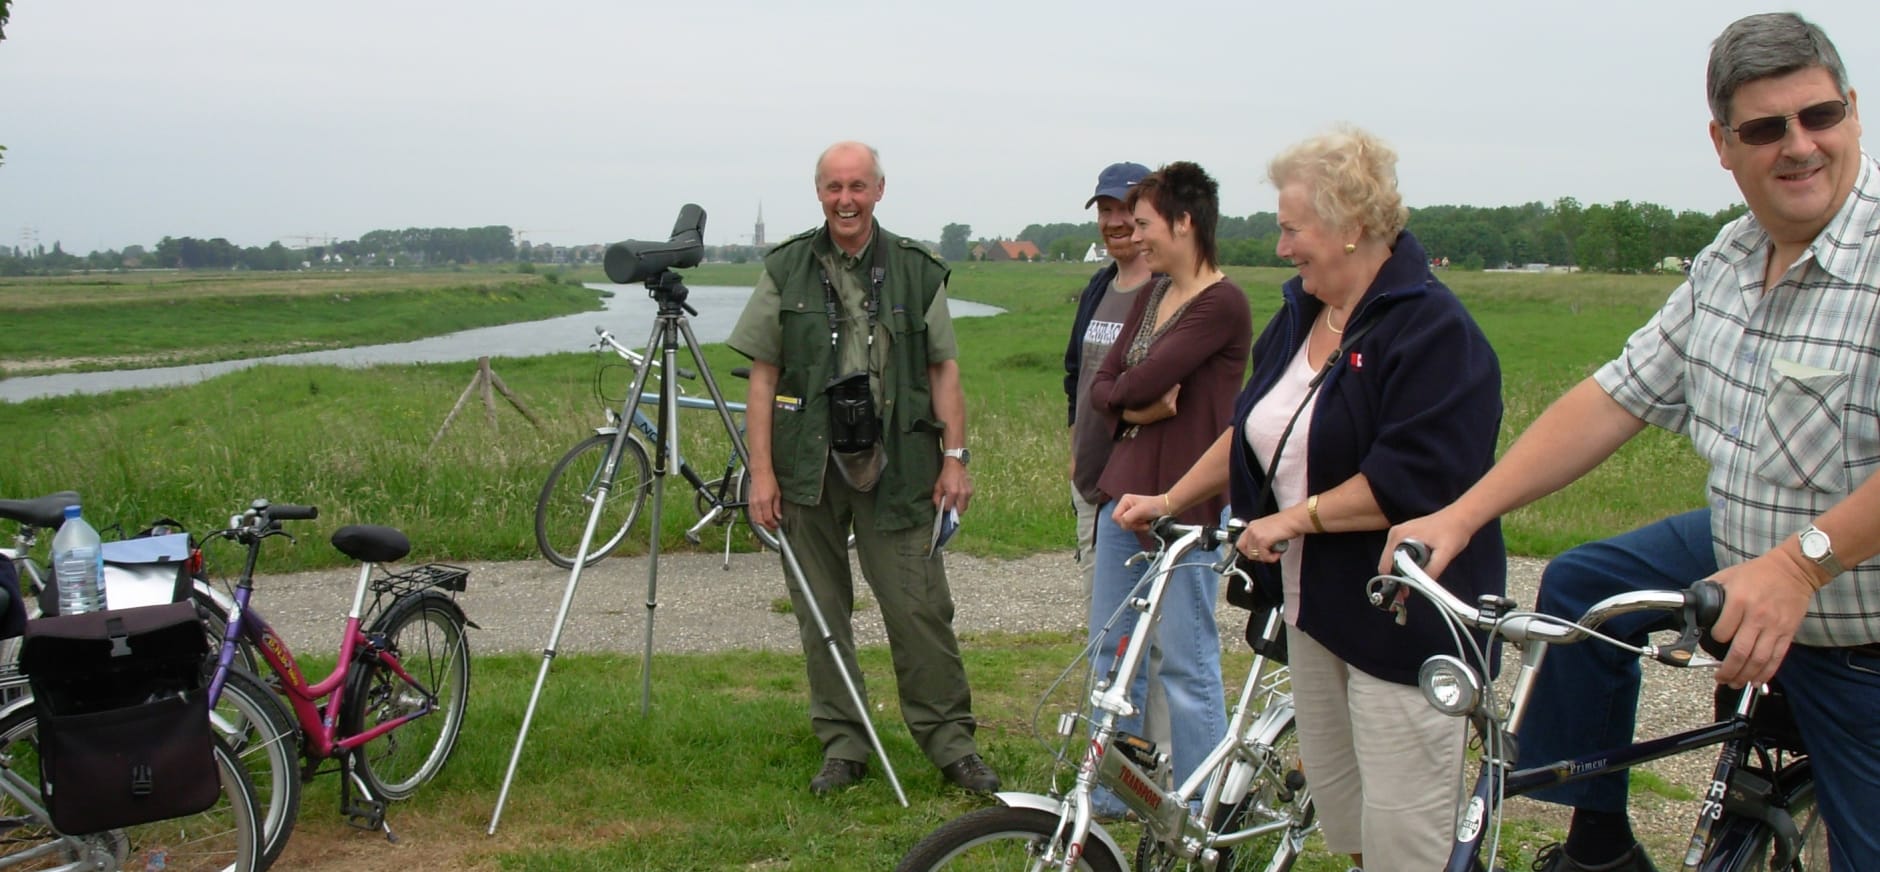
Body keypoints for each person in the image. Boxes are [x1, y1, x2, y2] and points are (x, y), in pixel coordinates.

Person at [1383, 13, 1880, 871]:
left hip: (1858, 627)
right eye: (1766, 129)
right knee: (1580, 582)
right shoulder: (1728, 261)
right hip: (1743, 545)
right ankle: (1600, 845)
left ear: (1855, 112)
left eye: (1820, 116)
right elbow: (1615, 398)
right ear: (1724, 145)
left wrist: (1798, 567)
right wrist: (1463, 514)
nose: (1800, 146)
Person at [1116, 128, 1504, 872]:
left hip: (1403, 628)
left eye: (1293, 227)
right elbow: (1252, 432)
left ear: (1352, 226)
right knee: (1349, 819)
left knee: (1406, 843)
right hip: (1317, 612)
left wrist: (1292, 519)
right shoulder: (1302, 314)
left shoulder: (1433, 331)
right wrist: (1168, 496)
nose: (1282, 244)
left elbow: (1411, 481)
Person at [727, 140, 999, 796]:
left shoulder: (915, 269)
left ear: (879, 190)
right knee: (821, 612)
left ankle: (950, 744)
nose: (845, 199)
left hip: (902, 465)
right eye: (833, 187)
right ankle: (844, 745)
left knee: (918, 608)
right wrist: (760, 474)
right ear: (818, 193)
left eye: (857, 186)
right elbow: (762, 379)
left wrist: (955, 460)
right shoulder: (786, 267)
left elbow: (944, 370)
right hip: (807, 469)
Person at [1085, 161, 1250, 814]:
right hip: (1125, 492)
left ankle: (1201, 797)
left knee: (1186, 661)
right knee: (1113, 653)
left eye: (1146, 223)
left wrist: (1127, 395)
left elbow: (1135, 380)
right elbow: (1109, 387)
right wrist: (1131, 403)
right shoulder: (1153, 294)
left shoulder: (1223, 302)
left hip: (1191, 501)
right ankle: (1121, 790)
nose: (1135, 235)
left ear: (1185, 223)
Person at [1063, 161, 1176, 750]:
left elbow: (1166, 397)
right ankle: (1122, 755)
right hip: (1091, 482)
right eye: (1105, 211)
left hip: (1137, 486)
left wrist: (1113, 412)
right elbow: (1075, 376)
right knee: (1107, 626)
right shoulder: (1100, 287)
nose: (1114, 223)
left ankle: (1146, 756)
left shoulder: (1165, 292)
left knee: (1144, 633)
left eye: (1127, 211)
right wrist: (1076, 439)